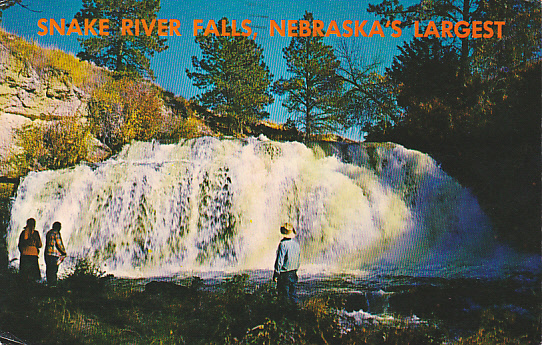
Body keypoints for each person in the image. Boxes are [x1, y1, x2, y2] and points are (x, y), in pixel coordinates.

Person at [273, 223, 301, 304]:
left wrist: (276, 273)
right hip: (294, 272)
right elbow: (298, 259)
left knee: (283, 297)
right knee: (293, 295)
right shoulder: (296, 244)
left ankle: (284, 314)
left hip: (284, 274)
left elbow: (279, 261)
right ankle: (295, 313)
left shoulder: (283, 244)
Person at [44, 221, 67, 287]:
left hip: (47, 253)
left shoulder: (49, 233)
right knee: (54, 270)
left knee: (49, 269)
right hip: (54, 254)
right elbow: (59, 244)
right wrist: (64, 252)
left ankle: (49, 284)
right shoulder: (56, 233)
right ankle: (53, 285)